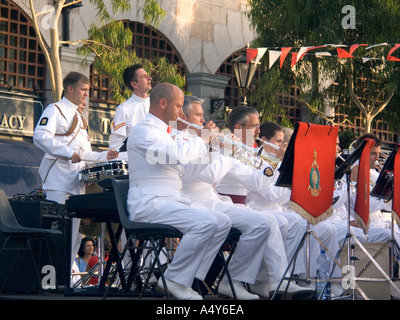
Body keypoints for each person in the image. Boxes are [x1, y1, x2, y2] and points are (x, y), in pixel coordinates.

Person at [178, 98, 312, 299]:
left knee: (277, 223)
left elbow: (258, 180)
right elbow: (211, 175)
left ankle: (269, 280)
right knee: (270, 222)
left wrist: (277, 163)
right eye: (198, 115)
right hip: (196, 202)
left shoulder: (233, 148)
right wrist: (227, 149)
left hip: (214, 201)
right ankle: (238, 280)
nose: (204, 120)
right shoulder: (184, 141)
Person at [126, 83, 232, 300]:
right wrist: (201, 138)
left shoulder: (167, 133)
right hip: (149, 202)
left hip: (171, 200)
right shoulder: (144, 130)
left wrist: (211, 149)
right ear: (163, 103)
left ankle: (189, 278)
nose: (181, 113)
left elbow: (190, 170)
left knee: (222, 222)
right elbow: (176, 156)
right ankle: (175, 279)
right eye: (177, 106)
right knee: (206, 223)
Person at [33, 71, 118, 273]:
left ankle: (65, 277)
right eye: (83, 89)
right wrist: (66, 152)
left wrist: (105, 155)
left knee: (74, 238)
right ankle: (50, 278)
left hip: (76, 185)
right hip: (58, 183)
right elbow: (40, 136)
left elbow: (85, 153)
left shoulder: (79, 118)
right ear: (70, 88)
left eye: (88, 90)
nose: (86, 94)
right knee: (57, 234)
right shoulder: (55, 110)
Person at [109, 64, 152, 154]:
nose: (150, 78)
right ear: (134, 84)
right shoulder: (124, 109)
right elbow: (116, 146)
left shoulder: (158, 105)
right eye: (144, 76)